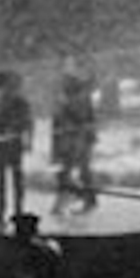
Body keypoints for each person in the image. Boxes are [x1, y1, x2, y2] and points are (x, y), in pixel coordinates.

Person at [0, 70, 34, 229]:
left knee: (16, 179)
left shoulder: (21, 102)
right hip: (1, 143)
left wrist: (28, 140)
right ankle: (0, 210)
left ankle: (18, 211)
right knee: (0, 180)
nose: (8, 89)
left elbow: (28, 122)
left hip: (15, 143)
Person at [50, 72, 98, 214]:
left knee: (71, 172)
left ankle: (79, 198)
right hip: (74, 140)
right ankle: (86, 198)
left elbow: (87, 121)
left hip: (75, 140)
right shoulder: (69, 101)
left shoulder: (77, 100)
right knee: (78, 171)